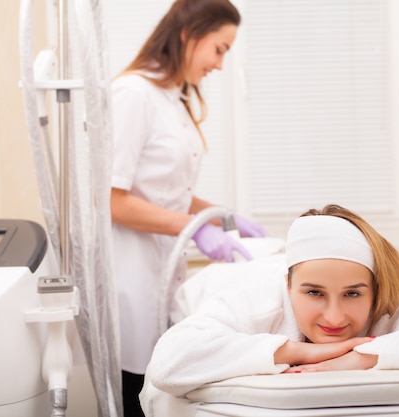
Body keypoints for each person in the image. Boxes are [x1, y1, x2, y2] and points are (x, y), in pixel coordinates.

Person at [140, 204, 399, 415]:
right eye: (314, 293)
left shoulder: (396, 305)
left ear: (375, 289)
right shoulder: (258, 298)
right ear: (287, 285)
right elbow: (169, 367)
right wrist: (296, 350)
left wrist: (367, 355)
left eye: (354, 294)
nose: (335, 317)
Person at [109, 1, 265, 415]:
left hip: (163, 274)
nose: (219, 64)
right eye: (219, 49)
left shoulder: (172, 98)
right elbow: (110, 200)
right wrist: (195, 228)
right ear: (189, 33)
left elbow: (168, 190)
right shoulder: (132, 94)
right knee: (136, 393)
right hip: (130, 276)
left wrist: (222, 216)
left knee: (164, 387)